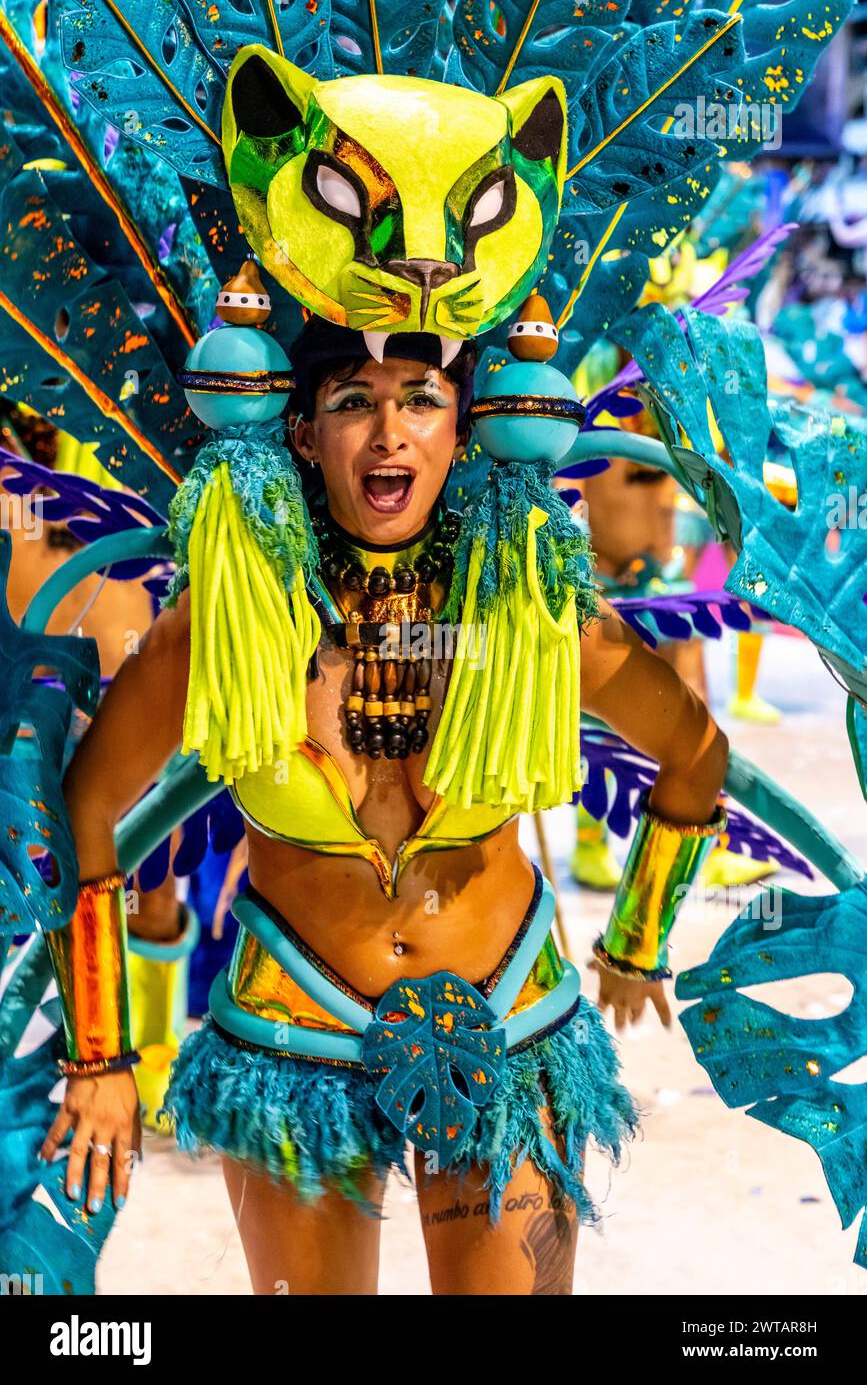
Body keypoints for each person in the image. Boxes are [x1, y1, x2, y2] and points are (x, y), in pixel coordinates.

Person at [40, 321, 728, 1295]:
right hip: (291, 1033)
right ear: (303, 435)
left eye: (422, 400)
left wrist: (641, 935)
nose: (389, 433)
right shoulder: (231, 614)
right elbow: (90, 805)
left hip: (505, 1021)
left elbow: (698, 755)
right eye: (354, 402)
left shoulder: (530, 606)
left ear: (464, 432)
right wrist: (100, 1055)